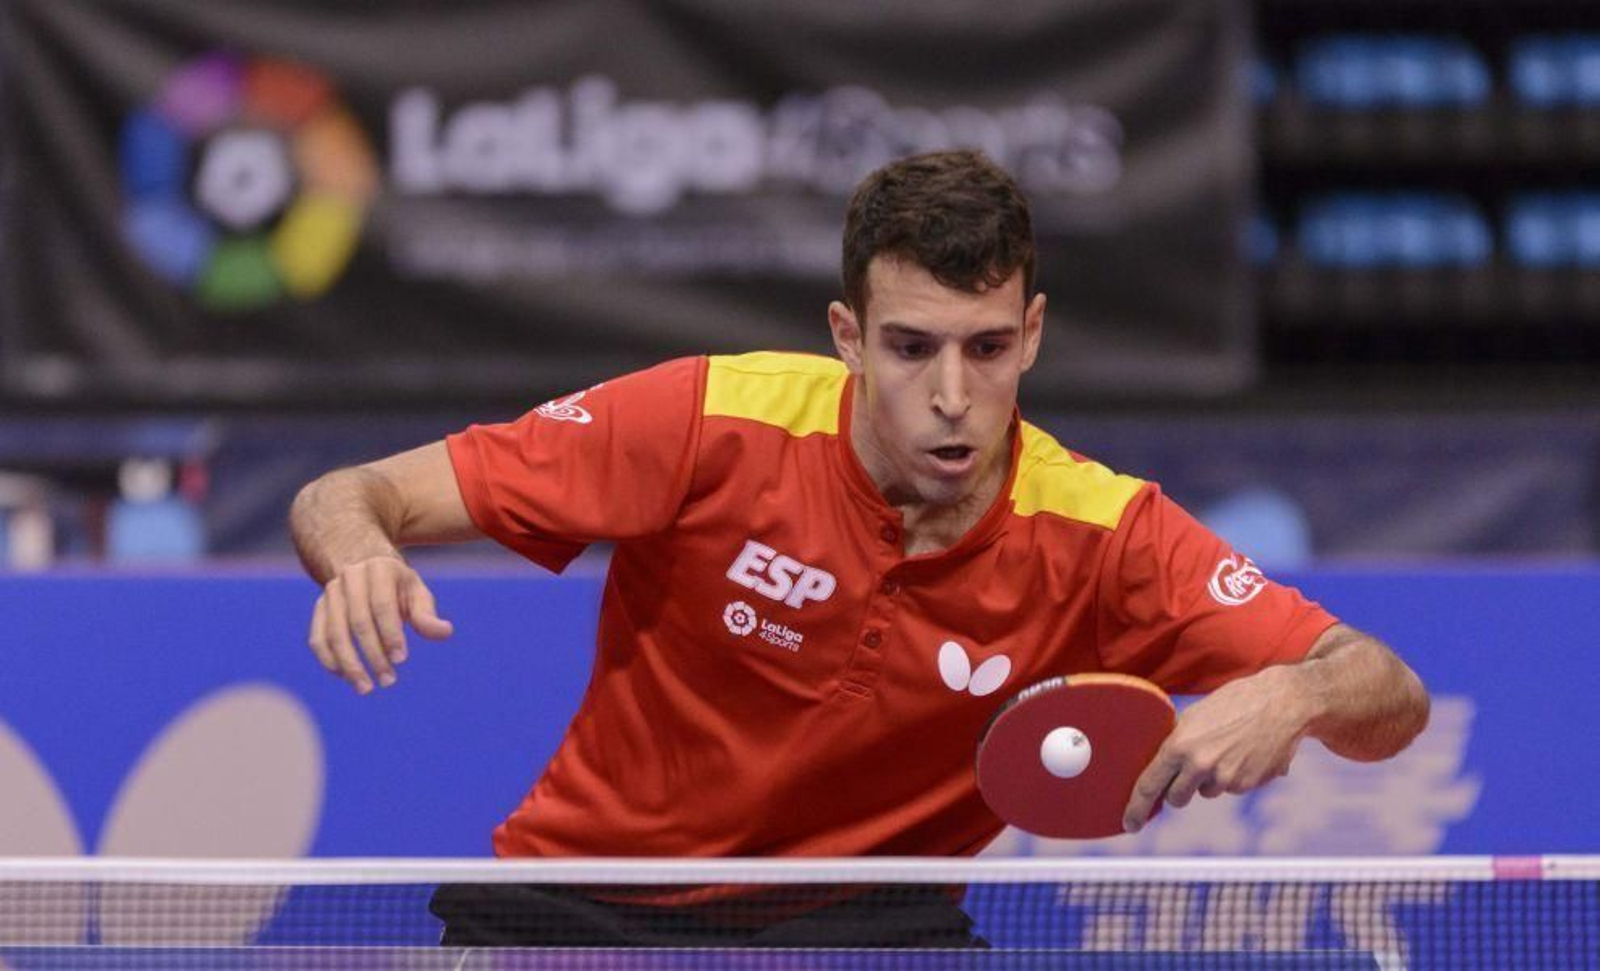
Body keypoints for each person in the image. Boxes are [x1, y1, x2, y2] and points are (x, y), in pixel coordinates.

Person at [289, 150, 1430, 947]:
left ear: (1033, 333)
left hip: (864, 927)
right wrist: (359, 552)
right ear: (847, 336)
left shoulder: (1101, 531)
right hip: (580, 904)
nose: (952, 396)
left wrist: (1295, 691)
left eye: (988, 348)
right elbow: (351, 492)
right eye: (911, 347)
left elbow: (1388, 691)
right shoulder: (708, 418)